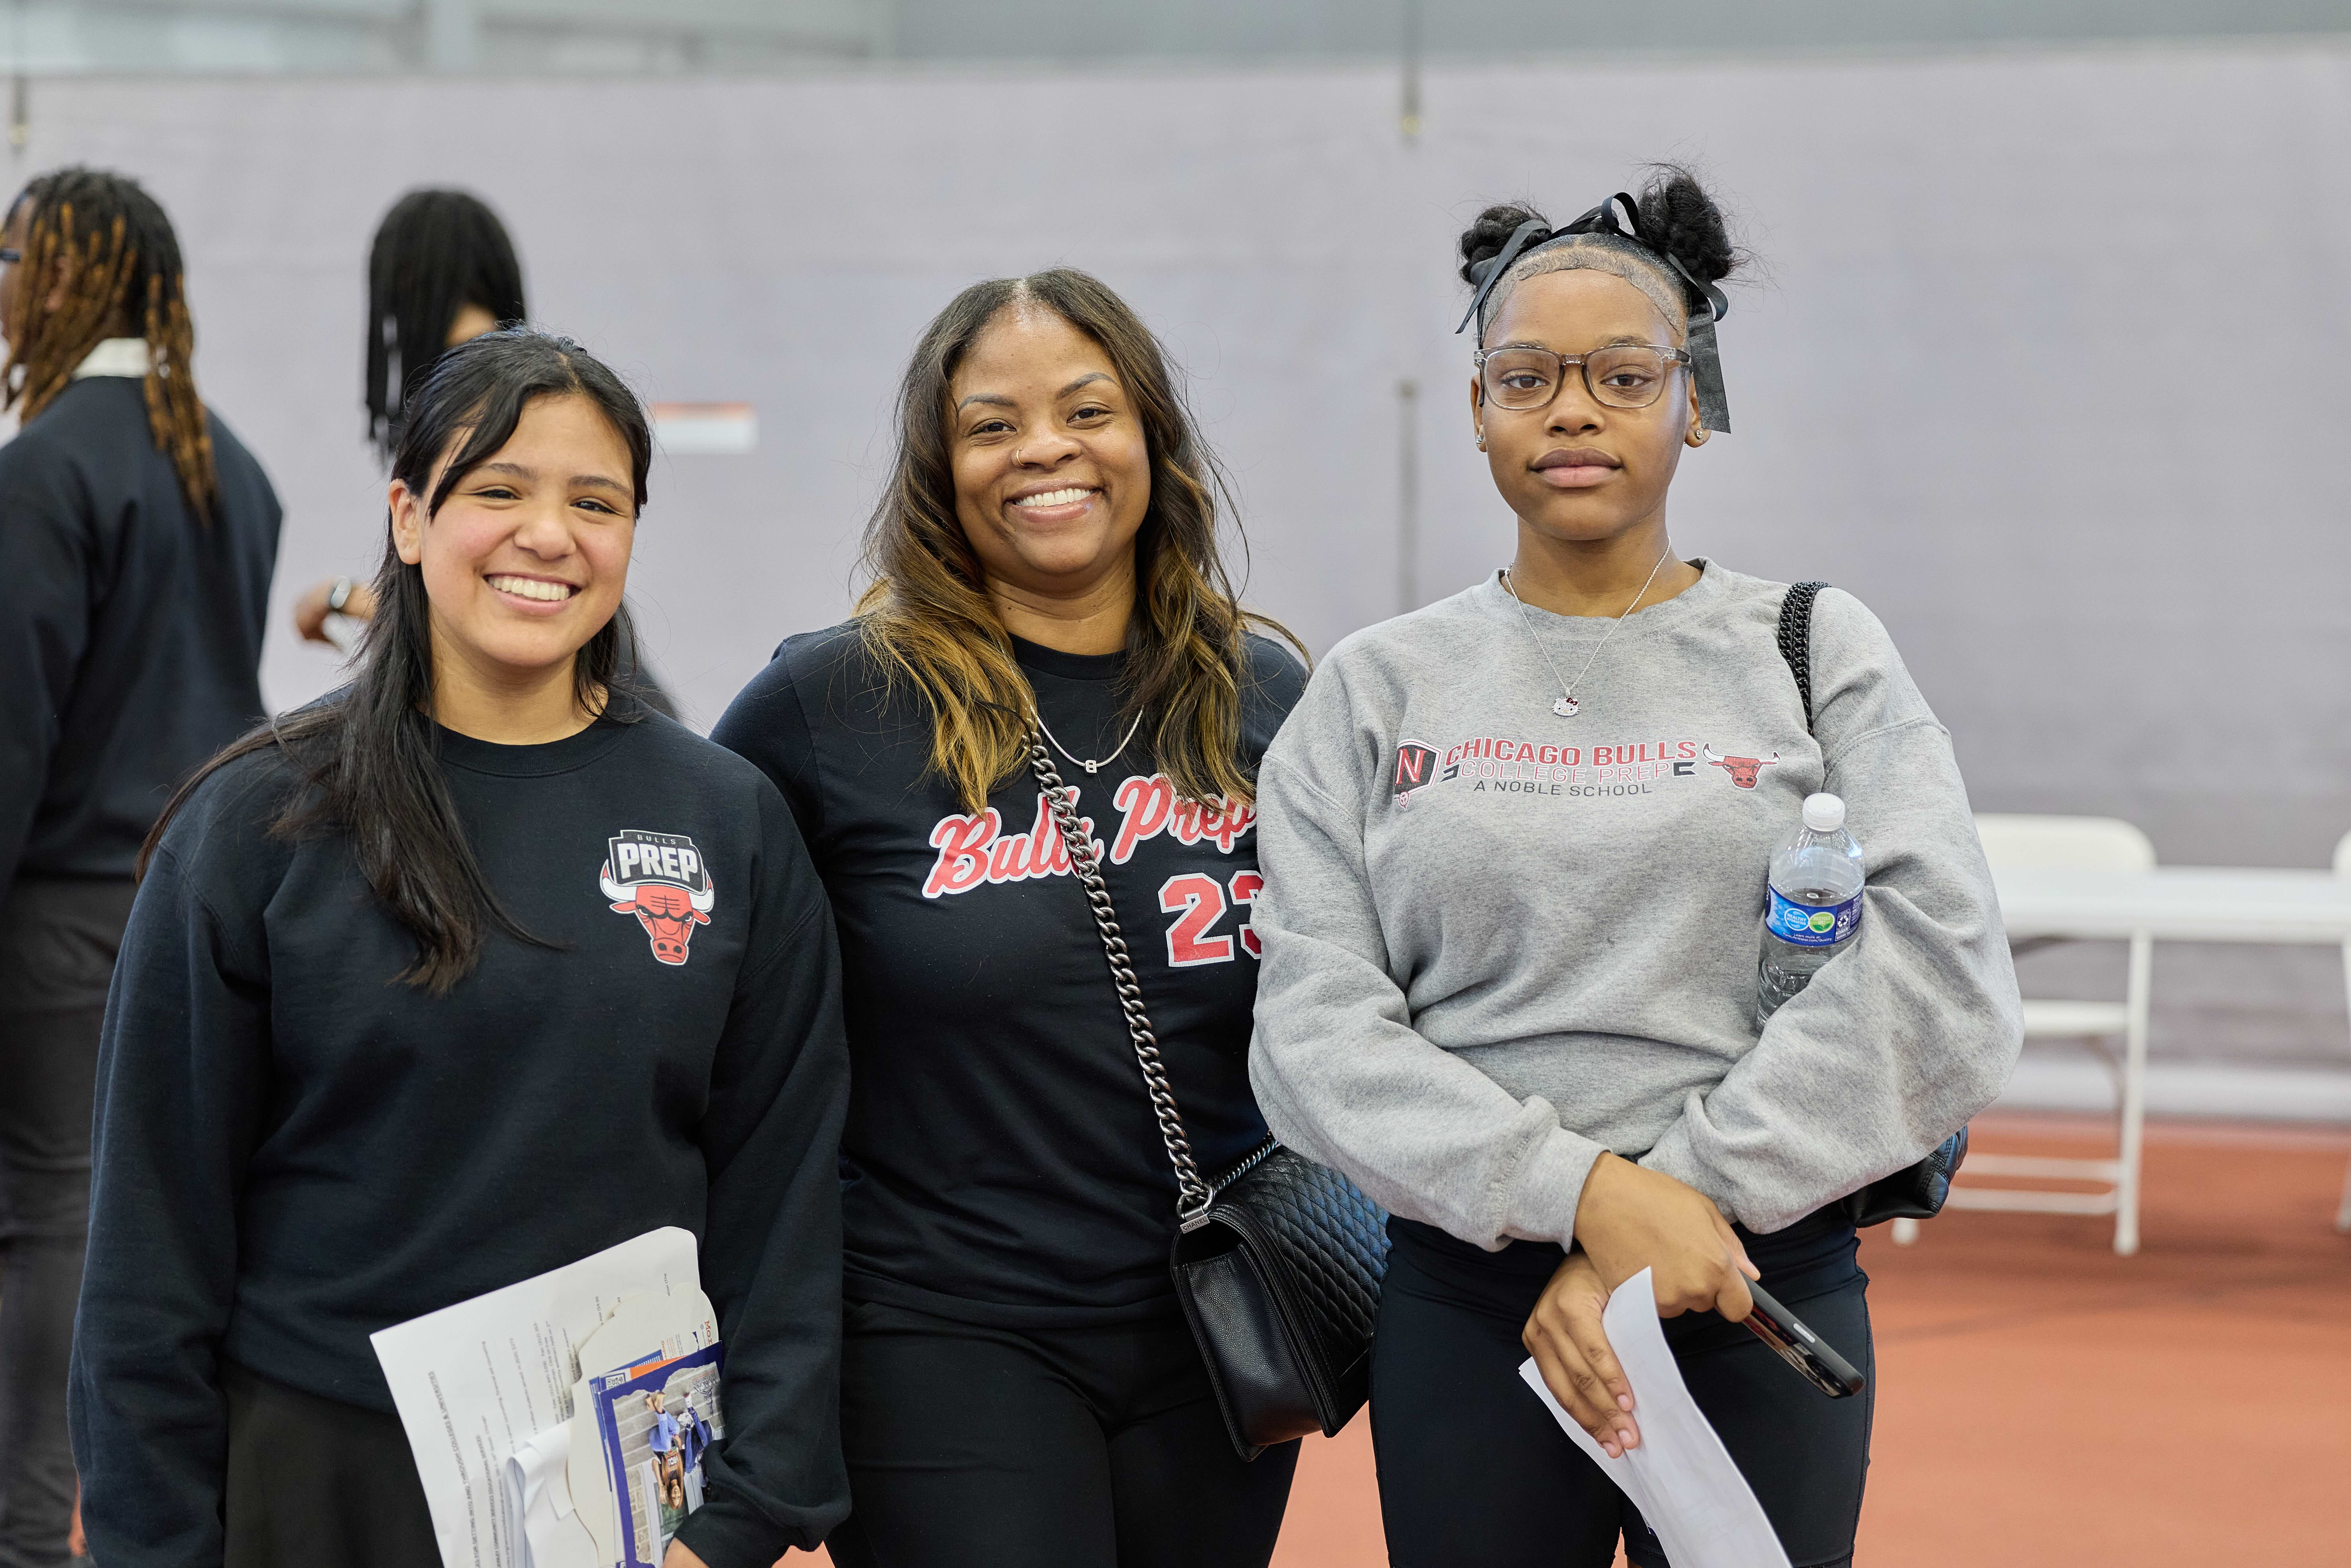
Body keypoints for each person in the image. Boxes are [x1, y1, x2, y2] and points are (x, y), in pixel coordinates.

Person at [1246, 167, 2023, 1568]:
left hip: (1750, 1285)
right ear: (1478, 406)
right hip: (1471, 1307)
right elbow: (1311, 1033)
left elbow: (1943, 977)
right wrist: (1585, 1200)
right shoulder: (1375, 685)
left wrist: (1677, 1209)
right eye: (1527, 375)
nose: (1573, 409)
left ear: (1694, 401)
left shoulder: (1813, 648)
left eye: (1622, 373)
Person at [69, 328, 851, 1568]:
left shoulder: (726, 821)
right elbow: (152, 1245)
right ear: (410, 516)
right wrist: (152, 1539)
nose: (549, 535)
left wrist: (746, 1508)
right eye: (498, 490)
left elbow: (785, 1193)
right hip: (318, 1481)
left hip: (629, 1494)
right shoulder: (256, 824)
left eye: (594, 501)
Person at [713, 268, 1308, 1568]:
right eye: (992, 425)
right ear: (940, 468)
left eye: (1087, 410)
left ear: (1151, 437)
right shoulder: (829, 708)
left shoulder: (1262, 694)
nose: (1044, 449)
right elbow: (698, 999)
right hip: (940, 1332)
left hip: (1218, 1336)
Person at [0, 166, 282, 1568]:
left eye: (9, 260)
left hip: (60, 916)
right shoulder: (234, 461)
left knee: (50, 1219)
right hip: (211, 909)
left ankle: (29, 1528)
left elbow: (12, 727)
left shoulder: (45, 465)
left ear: (55, 276)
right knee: (169, 1224)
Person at [288, 187, 676, 714]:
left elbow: (471, 591)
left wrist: (341, 597)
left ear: (399, 285)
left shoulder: (462, 390)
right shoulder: (503, 375)